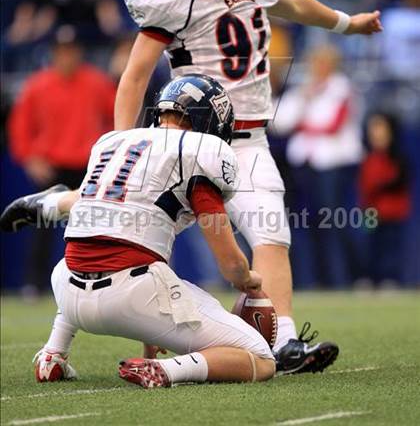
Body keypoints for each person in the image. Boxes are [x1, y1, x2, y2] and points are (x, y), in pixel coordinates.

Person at [115, 0, 382, 373]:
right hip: (189, 143)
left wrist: (347, 24)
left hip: (251, 140)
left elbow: (294, 4)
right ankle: (64, 335)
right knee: (139, 237)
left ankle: (284, 344)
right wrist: (121, 142)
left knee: (272, 237)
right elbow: (135, 75)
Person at [0, 75, 276, 388]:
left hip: (66, 287)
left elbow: (92, 205)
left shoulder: (114, 142)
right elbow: (230, 263)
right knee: (261, 357)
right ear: (209, 120)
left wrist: (49, 204)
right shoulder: (199, 151)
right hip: (130, 292)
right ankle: (169, 371)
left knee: (86, 252)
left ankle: (54, 353)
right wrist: (248, 280)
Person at [7, 25, 116, 298]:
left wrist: (110, 155)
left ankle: (97, 282)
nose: (66, 56)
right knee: (42, 229)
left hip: (88, 166)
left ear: (79, 52)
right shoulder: (37, 85)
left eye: (71, 50)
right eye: (61, 51)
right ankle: (34, 285)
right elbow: (20, 127)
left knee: (94, 225)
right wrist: (30, 158)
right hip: (51, 166)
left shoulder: (97, 82)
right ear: (54, 53)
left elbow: (116, 118)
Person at [270, 44, 363, 288]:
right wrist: (304, 100)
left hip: (333, 165)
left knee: (334, 222)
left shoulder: (341, 88)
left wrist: (304, 126)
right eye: (315, 63)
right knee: (307, 225)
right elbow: (280, 122)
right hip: (305, 165)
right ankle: (318, 278)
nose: (318, 69)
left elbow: (334, 125)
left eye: (323, 64)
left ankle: (342, 279)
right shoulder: (303, 89)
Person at [359, 112, 412, 287]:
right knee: (372, 246)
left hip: (392, 212)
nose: (376, 133)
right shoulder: (368, 157)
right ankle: (371, 278)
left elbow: (399, 181)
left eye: (380, 127)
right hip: (372, 212)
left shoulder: (398, 157)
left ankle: (391, 278)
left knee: (391, 247)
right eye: (373, 128)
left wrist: (380, 186)